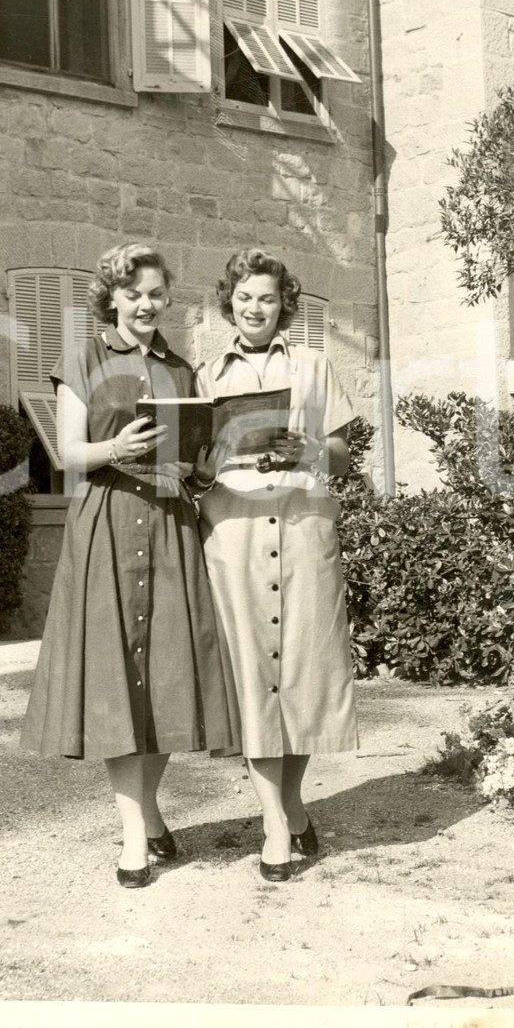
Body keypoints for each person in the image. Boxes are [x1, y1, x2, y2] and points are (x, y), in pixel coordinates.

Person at [20, 243, 239, 889]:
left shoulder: (180, 367)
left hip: (170, 525)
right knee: (117, 683)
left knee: (171, 677)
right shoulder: (84, 357)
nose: (147, 304)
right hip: (108, 526)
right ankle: (133, 838)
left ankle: (147, 810)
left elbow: (196, 455)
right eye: (135, 293)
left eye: (157, 294)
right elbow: (67, 452)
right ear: (112, 295)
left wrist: (201, 463)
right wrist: (115, 445)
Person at [193, 248, 359, 882]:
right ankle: (273, 825)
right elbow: (196, 464)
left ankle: (291, 803)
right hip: (233, 534)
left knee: (303, 677)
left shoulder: (315, 366)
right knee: (251, 680)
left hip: (302, 530)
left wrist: (311, 445)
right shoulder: (207, 377)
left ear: (282, 302)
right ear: (228, 303)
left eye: (265, 297)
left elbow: (343, 454)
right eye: (243, 298)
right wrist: (210, 455)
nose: (254, 308)